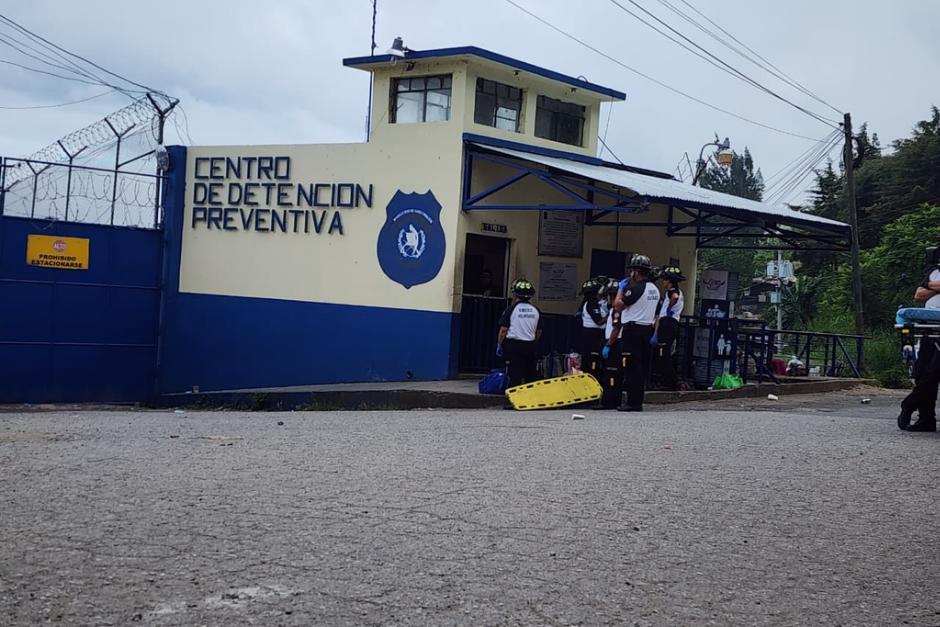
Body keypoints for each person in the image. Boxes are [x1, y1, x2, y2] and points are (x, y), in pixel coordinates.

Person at [614, 254, 660, 412]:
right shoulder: (654, 289)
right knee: (640, 367)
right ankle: (637, 400)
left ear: (636, 272)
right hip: (646, 330)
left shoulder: (636, 288)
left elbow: (617, 305)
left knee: (631, 367)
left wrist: (621, 289)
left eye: (632, 271)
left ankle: (633, 402)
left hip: (633, 331)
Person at [898, 258, 940, 431]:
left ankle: (909, 404)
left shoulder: (932, 276)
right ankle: (926, 418)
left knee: (934, 371)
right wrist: (933, 286)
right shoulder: (934, 271)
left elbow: (925, 290)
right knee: (921, 370)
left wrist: (930, 286)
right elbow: (918, 294)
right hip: (929, 327)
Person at [496, 278, 542, 388]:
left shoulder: (511, 309)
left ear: (515, 295)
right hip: (530, 346)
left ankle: (513, 397)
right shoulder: (536, 310)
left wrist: (499, 344)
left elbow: (503, 330)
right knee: (530, 375)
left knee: (514, 376)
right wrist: (534, 341)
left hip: (514, 346)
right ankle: (529, 396)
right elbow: (539, 330)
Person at [652, 265, 685, 391]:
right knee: (665, 354)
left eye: (664, 280)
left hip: (668, 323)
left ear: (669, 281)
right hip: (669, 324)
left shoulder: (672, 290)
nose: (663, 282)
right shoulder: (676, 291)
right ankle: (670, 381)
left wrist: (669, 308)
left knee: (663, 354)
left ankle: (670, 382)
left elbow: (674, 297)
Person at [599, 280, 623, 409]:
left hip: (614, 343)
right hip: (613, 342)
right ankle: (612, 400)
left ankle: (609, 401)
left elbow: (616, 329)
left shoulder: (616, 311)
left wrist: (608, 345)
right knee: (611, 373)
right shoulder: (614, 310)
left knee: (611, 373)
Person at [578, 278, 607, 380]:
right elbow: (598, 321)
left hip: (592, 335)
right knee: (592, 361)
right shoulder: (591, 303)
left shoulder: (597, 303)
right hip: (593, 336)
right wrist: (610, 316)